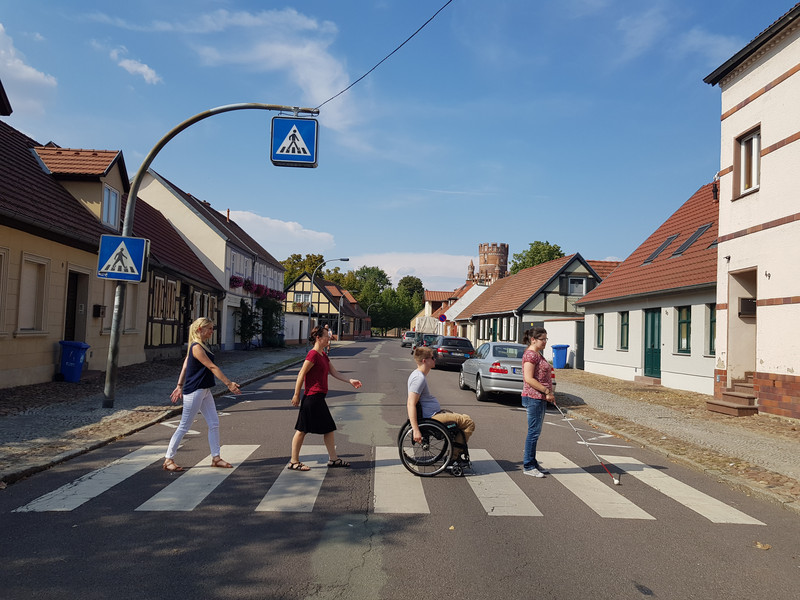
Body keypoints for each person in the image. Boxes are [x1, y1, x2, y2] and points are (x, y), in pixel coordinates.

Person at [163, 317, 241, 472]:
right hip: (195, 390)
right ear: (200, 329)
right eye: (210, 328)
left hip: (204, 390)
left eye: (212, 328)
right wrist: (229, 384)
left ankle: (216, 457)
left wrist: (179, 385)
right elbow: (212, 367)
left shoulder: (201, 345)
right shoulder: (197, 347)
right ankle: (168, 459)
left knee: (214, 423)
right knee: (184, 426)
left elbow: (185, 365)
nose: (212, 331)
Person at [288, 325, 362, 471]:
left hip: (318, 398)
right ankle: (294, 461)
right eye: (326, 336)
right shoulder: (313, 354)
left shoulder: (323, 355)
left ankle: (333, 459)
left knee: (327, 428)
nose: (329, 338)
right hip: (312, 398)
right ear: (318, 338)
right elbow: (301, 374)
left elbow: (334, 373)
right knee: (302, 429)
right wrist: (296, 394)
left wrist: (350, 380)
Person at [407, 346, 475, 457]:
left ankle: (456, 451)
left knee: (463, 419)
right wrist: (416, 430)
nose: (435, 359)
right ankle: (454, 456)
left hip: (432, 415)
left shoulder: (419, 375)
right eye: (432, 358)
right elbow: (411, 403)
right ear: (425, 361)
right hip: (431, 417)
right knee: (469, 423)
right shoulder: (418, 378)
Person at [521, 327, 555, 478]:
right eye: (543, 339)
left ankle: (533, 462)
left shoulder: (537, 354)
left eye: (546, 339)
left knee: (536, 432)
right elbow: (529, 379)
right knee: (533, 433)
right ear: (533, 339)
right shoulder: (530, 355)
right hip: (533, 397)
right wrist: (546, 391)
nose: (545, 342)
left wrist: (549, 392)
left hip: (539, 398)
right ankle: (528, 466)